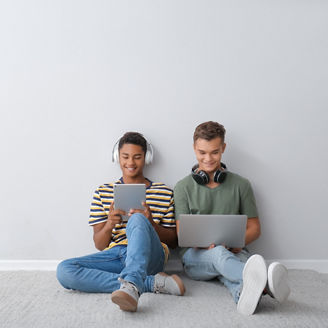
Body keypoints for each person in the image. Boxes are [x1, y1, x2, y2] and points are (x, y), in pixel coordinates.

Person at [57, 132, 185, 312]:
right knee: (65, 270)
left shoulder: (164, 192)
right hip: (117, 254)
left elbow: (173, 242)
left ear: (146, 158)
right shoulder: (103, 192)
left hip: (151, 256)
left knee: (138, 218)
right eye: (125, 157)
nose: (130, 163)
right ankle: (147, 283)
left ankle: (132, 284)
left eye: (137, 157)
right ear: (118, 157)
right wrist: (109, 223)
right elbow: (100, 245)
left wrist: (151, 223)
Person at [173, 121, 290, 316]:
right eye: (202, 152)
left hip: (235, 251)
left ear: (223, 148)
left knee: (235, 273)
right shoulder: (182, 187)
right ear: (194, 149)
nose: (208, 158)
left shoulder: (241, 185)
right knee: (220, 255)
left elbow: (254, 228)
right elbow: (181, 233)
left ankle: (244, 294)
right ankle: (268, 284)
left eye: (214, 152)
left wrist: (237, 244)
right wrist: (206, 246)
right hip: (196, 257)